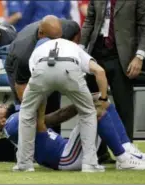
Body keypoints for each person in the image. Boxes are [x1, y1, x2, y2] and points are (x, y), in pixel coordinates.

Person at [15, 30, 112, 172]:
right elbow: (100, 72)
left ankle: (24, 164)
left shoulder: (37, 51)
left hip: (42, 68)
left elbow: (39, 91)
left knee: (26, 113)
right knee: (88, 112)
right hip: (70, 68)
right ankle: (90, 163)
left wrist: (40, 117)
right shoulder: (74, 47)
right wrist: (103, 99)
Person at [0, 100, 145, 171]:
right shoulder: (12, 125)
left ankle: (128, 151)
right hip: (66, 158)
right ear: (1, 122)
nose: (0, 106)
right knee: (96, 113)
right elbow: (51, 118)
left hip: (66, 150)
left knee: (104, 104)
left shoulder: (15, 119)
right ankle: (123, 160)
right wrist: (79, 102)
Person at [80, 0, 145, 163]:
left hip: (122, 56)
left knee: (124, 106)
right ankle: (98, 154)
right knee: (93, 104)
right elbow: (89, 21)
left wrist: (139, 56)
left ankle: (128, 155)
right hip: (96, 54)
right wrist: (80, 50)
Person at [5, 15, 81, 135]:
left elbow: (76, 39)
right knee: (27, 114)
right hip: (19, 68)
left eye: (59, 39)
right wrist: (38, 118)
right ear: (41, 34)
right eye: (53, 40)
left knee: (53, 108)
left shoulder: (68, 28)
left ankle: (54, 144)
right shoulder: (23, 54)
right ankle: (25, 148)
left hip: (49, 62)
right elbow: (23, 91)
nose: (56, 43)